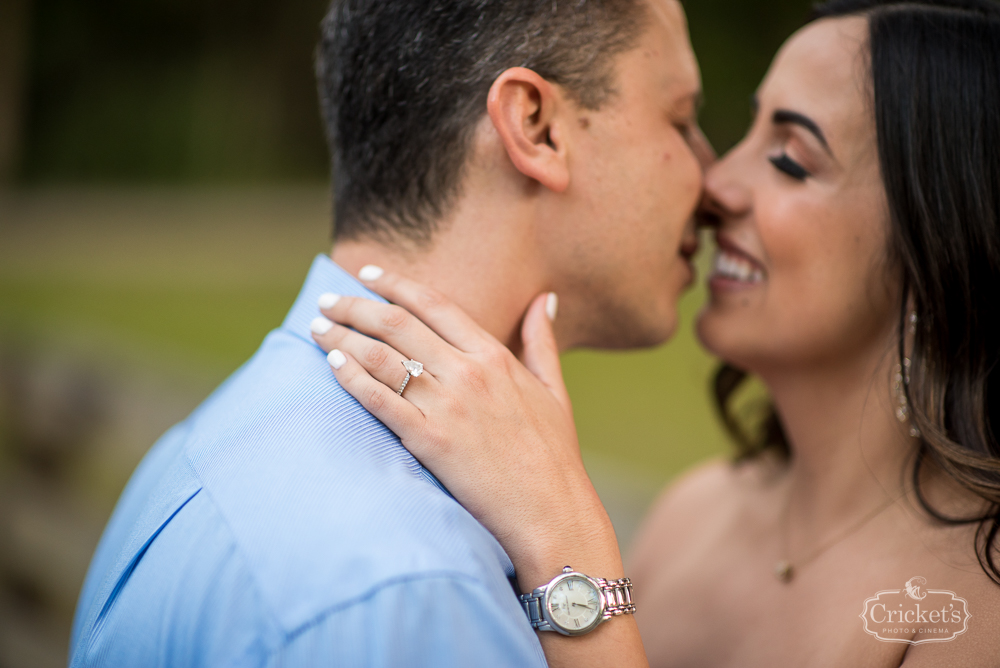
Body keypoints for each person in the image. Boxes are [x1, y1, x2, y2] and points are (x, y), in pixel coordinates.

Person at [311, 0, 1000, 665]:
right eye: (745, 134)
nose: (715, 183)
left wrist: (565, 544)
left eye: (790, 157)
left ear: (936, 242)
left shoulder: (975, 602)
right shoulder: (692, 517)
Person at [69, 0, 712, 666]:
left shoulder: (207, 442)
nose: (713, 179)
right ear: (536, 126)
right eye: (682, 120)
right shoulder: (413, 589)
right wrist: (581, 562)